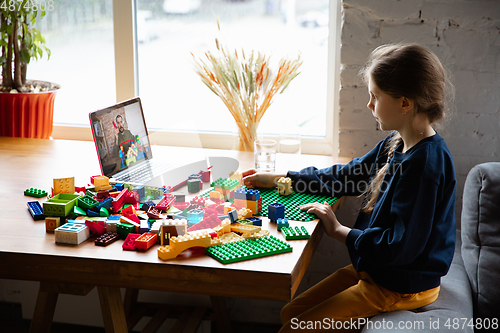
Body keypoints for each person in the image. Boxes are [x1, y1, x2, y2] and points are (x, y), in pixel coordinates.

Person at [242, 43, 456, 333]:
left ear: (405, 103)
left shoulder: (423, 166)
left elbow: (399, 248)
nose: (369, 105)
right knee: (291, 313)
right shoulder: (398, 141)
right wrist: (285, 177)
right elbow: (349, 176)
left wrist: (338, 230)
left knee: (293, 329)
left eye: (375, 96)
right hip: (378, 272)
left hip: (401, 284)